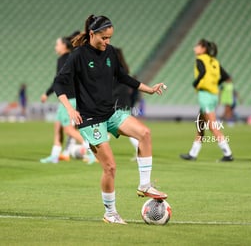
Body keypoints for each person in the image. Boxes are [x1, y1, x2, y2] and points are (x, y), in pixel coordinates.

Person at [53, 15, 168, 224]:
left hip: (110, 112)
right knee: (110, 167)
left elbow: (122, 76)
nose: (107, 42)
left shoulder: (110, 52)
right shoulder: (78, 55)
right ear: (92, 34)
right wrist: (70, 109)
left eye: (110, 38)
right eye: (104, 38)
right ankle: (110, 213)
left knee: (145, 133)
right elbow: (59, 83)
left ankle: (144, 185)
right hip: (90, 118)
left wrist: (149, 89)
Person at [40, 33, 95, 164]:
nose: (56, 47)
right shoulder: (72, 58)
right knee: (57, 126)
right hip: (68, 98)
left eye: (57, 44)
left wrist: (47, 93)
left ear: (64, 46)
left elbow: (58, 80)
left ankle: (91, 150)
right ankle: (54, 156)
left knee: (68, 129)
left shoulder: (64, 59)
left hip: (69, 98)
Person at [180, 39, 233, 162]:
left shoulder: (200, 59)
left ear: (203, 48)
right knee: (200, 125)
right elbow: (226, 76)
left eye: (197, 46)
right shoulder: (214, 61)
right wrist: (215, 84)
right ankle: (193, 154)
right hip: (213, 95)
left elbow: (202, 72)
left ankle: (228, 153)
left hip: (205, 95)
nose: (194, 48)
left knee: (212, 126)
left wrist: (195, 83)